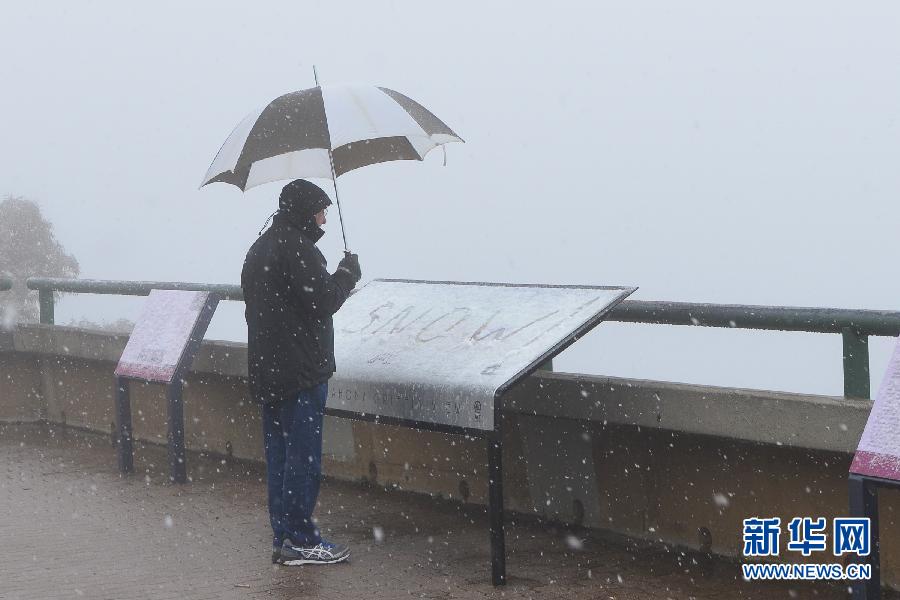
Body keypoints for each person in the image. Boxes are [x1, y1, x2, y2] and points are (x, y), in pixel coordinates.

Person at [241, 178, 361, 566]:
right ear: (305, 210)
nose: (324, 219)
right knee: (303, 459)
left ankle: (284, 537)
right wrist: (348, 273)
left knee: (280, 459)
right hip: (300, 373)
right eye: (321, 211)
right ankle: (301, 539)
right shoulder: (297, 248)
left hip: (269, 371)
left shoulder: (260, 248)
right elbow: (324, 299)